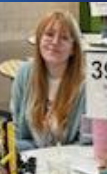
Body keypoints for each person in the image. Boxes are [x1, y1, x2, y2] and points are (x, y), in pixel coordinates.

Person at [10, 10, 89, 151]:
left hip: (70, 163)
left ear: (73, 49)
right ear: (39, 39)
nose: (55, 42)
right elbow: (19, 132)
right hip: (34, 158)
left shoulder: (86, 85)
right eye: (49, 34)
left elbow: (86, 144)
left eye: (64, 38)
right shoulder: (24, 73)